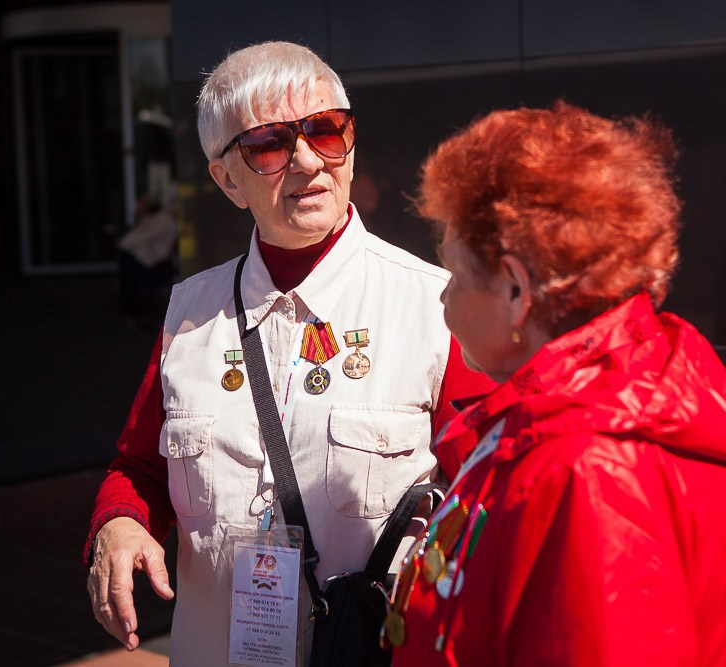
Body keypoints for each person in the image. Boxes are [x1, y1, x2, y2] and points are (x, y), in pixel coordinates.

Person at [85, 41, 492, 666]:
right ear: (227, 178)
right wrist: (121, 524)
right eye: (270, 144)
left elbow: (492, 498)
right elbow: (138, 470)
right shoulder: (187, 313)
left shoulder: (437, 308)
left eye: (327, 131)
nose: (307, 161)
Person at [385, 102, 726, 666]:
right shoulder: (620, 403)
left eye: (454, 273)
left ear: (516, 292)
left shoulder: (590, 469)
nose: (444, 296)